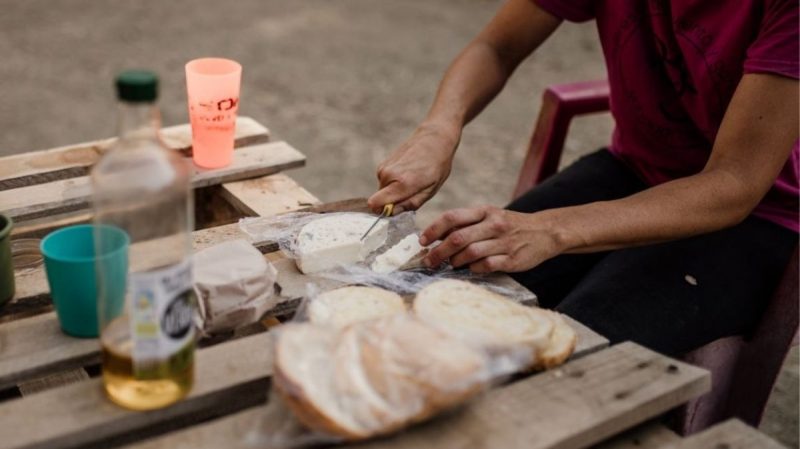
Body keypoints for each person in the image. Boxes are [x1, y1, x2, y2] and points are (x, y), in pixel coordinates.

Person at [367, 0, 799, 356]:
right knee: (439, 297)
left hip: (757, 215)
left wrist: (551, 229)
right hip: (635, 167)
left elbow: (735, 183)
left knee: (569, 348)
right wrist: (440, 129)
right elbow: (497, 47)